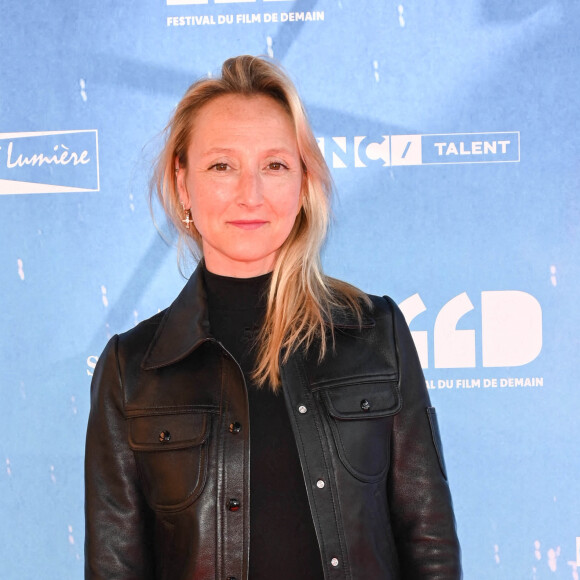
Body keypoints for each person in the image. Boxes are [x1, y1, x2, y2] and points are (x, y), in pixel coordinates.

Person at [85, 55, 461, 580]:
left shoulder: (376, 334)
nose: (250, 193)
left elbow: (431, 545)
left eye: (275, 165)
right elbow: (114, 568)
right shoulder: (132, 371)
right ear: (183, 180)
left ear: (304, 182)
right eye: (222, 165)